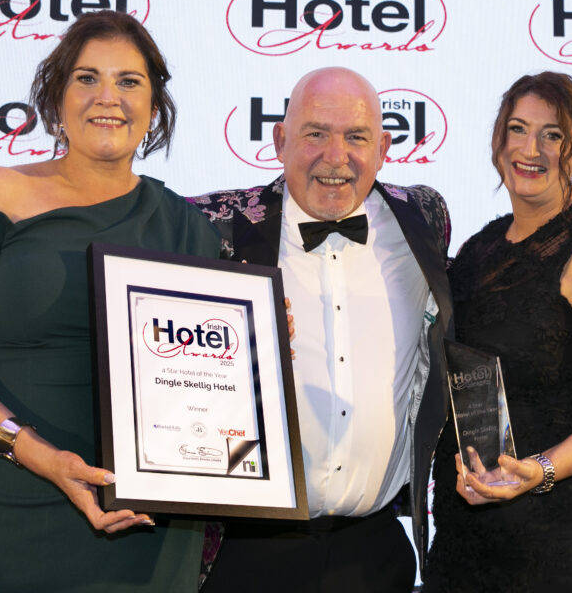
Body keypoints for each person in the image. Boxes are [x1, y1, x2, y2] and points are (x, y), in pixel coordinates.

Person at [0, 10, 221, 592]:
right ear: (55, 98)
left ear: (154, 107)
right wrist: (43, 458)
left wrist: (259, 349)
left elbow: (203, 380)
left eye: (130, 81)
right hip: (15, 497)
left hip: (145, 518)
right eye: (87, 78)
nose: (109, 97)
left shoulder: (188, 227)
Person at [189, 67, 453, 593]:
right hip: (244, 552)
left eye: (356, 137)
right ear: (280, 141)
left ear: (383, 148)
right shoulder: (211, 226)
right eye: (315, 134)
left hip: (375, 551)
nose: (336, 157)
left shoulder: (423, 218)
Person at [424, 72, 572, 592]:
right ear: (498, 141)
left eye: (552, 135)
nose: (530, 149)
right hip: (473, 532)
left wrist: (541, 469)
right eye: (517, 128)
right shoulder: (477, 249)